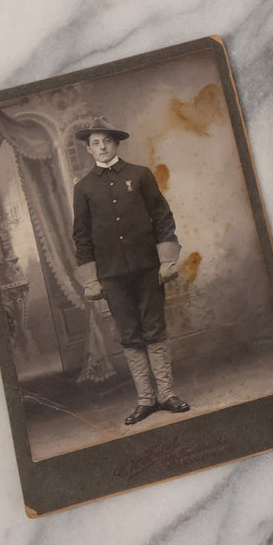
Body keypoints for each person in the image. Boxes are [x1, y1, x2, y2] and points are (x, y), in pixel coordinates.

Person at [71, 121, 190, 425]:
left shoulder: (140, 175)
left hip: (147, 267)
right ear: (88, 149)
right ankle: (146, 400)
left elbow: (163, 216)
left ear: (117, 144)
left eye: (107, 141)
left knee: (154, 327)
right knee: (129, 334)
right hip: (111, 275)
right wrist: (91, 279)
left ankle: (166, 395)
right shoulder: (83, 188)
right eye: (96, 142)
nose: (102, 146)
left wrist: (166, 260)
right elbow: (81, 236)